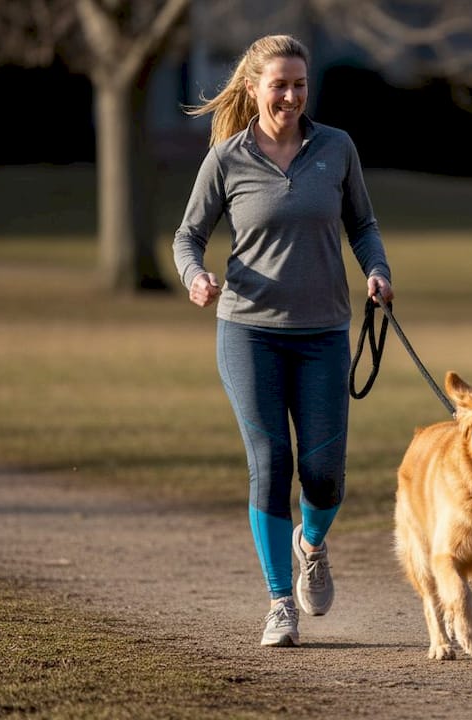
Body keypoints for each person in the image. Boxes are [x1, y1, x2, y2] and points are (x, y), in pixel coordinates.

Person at [173, 34, 394, 648]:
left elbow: (363, 224)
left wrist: (377, 270)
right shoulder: (226, 159)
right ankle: (278, 603)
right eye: (280, 84)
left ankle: (312, 543)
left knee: (323, 476)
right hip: (248, 332)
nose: (292, 95)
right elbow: (187, 236)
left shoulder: (336, 148)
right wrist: (195, 276)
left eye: (300, 84)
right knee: (270, 466)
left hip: (324, 333)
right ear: (253, 87)